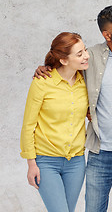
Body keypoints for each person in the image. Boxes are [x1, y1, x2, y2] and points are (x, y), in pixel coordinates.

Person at [34, 6, 112, 212]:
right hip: (100, 153)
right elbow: (64, 67)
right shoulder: (88, 57)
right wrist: (46, 67)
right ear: (107, 35)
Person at [20, 32, 89, 212]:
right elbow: (28, 125)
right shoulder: (42, 82)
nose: (86, 56)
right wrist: (31, 163)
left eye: (85, 50)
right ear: (64, 60)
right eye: (79, 54)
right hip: (46, 162)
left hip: (76, 162)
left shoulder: (86, 83)